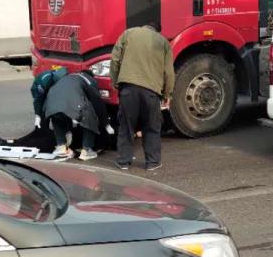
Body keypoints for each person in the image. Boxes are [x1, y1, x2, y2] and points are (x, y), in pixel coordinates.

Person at [110, 21, 174, 171]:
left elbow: (115, 59)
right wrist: (167, 94)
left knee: (126, 126)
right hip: (151, 92)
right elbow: (168, 73)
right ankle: (152, 163)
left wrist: (115, 82)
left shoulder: (128, 33)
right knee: (151, 126)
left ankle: (123, 162)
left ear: (144, 26)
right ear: (158, 31)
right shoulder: (163, 42)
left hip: (128, 88)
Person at [42, 70, 112, 160]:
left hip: (50, 103)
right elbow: (97, 101)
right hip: (71, 103)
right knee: (90, 116)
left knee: (57, 116)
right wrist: (105, 123)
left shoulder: (66, 78)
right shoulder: (88, 79)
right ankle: (87, 150)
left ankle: (61, 147)